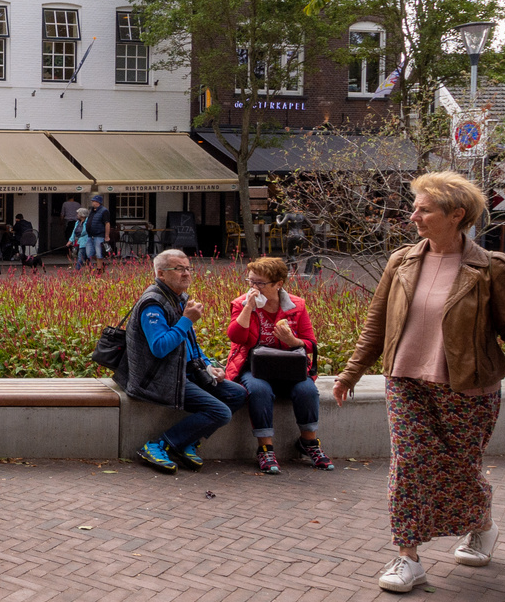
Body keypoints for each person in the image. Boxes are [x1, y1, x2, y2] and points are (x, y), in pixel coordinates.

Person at [334, 172, 505, 595]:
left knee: (459, 469)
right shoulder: (402, 261)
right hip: (405, 380)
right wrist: (351, 372)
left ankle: (482, 524)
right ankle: (408, 557)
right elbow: (377, 324)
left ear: (457, 215)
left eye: (424, 209)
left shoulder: (492, 267)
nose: (413, 216)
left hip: (468, 387)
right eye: (415, 207)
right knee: (410, 464)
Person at [130, 249, 247, 475]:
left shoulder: (179, 298)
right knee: (220, 412)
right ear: (161, 274)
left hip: (182, 372)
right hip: (158, 378)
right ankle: (157, 445)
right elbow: (160, 348)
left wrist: (208, 364)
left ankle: (186, 442)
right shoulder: (152, 303)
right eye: (179, 269)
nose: (186, 273)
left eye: (188, 268)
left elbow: (190, 343)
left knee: (237, 394)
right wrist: (186, 320)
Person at [224, 256, 331, 474]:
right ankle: (265, 448)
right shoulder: (241, 303)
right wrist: (248, 307)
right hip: (255, 366)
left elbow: (310, 344)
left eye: (260, 283)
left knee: (307, 390)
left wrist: (293, 341)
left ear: (278, 284)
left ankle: (309, 443)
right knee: (259, 390)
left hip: (288, 366)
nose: (254, 287)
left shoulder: (296, 306)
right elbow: (236, 336)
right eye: (251, 281)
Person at [86, 195, 112, 262]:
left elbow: (107, 223)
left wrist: (107, 236)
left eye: (93, 201)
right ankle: (100, 264)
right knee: (89, 254)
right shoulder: (92, 211)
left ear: (98, 202)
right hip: (90, 235)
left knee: (99, 254)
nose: (92, 203)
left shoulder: (104, 211)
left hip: (99, 235)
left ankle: (99, 269)